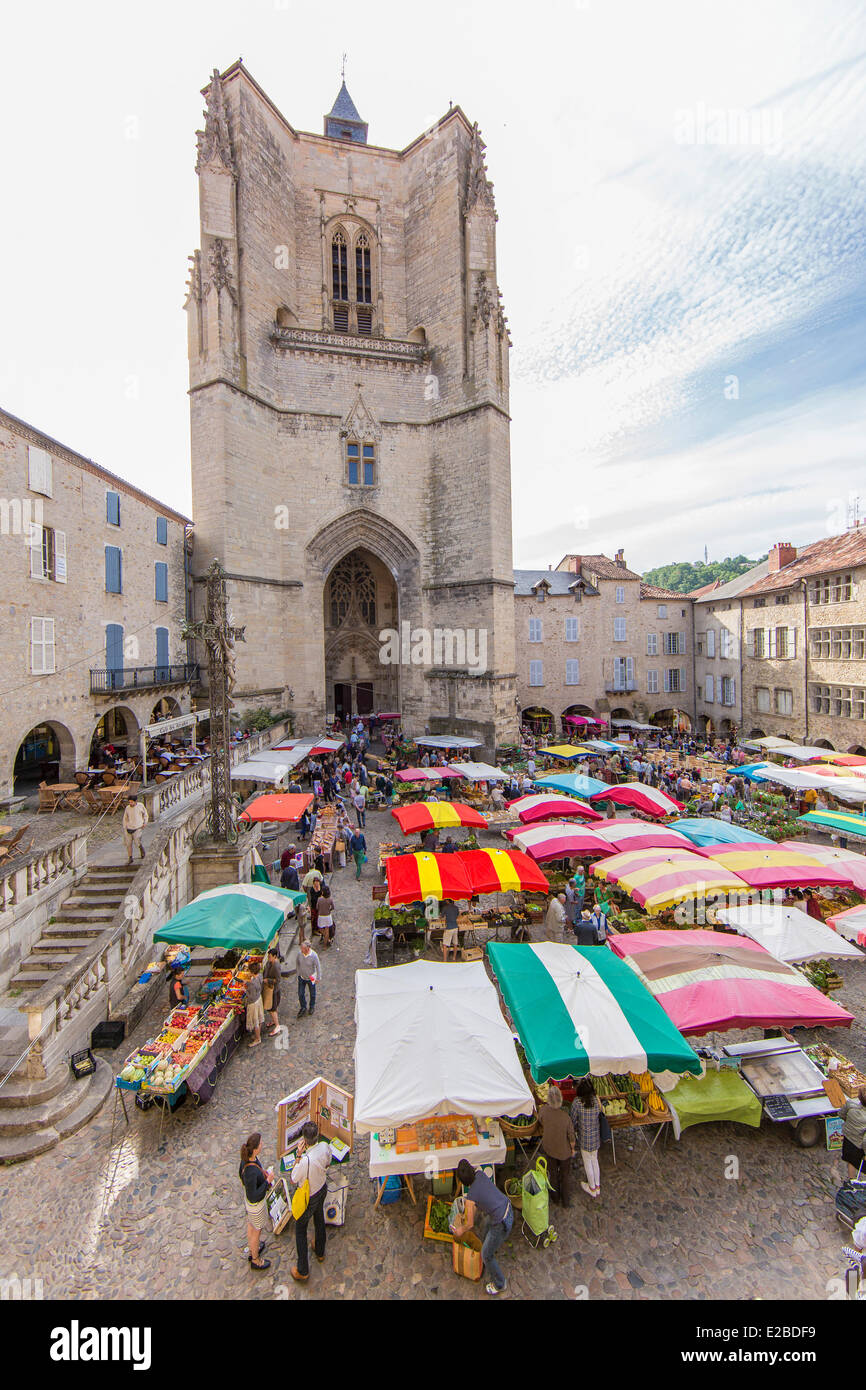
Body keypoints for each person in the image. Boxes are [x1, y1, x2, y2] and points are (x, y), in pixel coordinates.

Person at [453, 1159, 514, 1297]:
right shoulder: (480, 1174)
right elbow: (473, 1207)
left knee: (486, 1254)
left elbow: (470, 1224)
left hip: (501, 1222)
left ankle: (500, 1283)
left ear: (462, 1181)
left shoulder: (470, 1197)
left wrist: (460, 1230)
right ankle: (487, 1250)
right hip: (507, 1207)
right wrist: (468, 1213)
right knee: (485, 1227)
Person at [291, 1120, 331, 1282]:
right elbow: (328, 1162)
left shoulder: (306, 1160)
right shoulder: (324, 1147)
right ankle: (320, 1251)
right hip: (321, 1188)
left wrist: (299, 1155)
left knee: (300, 1230)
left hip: (309, 1196)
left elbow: (294, 1178)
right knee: (319, 1218)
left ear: (304, 1140)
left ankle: (303, 1270)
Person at [538, 1084, 576, 1208]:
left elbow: (540, 1120)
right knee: (565, 1176)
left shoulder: (543, 1111)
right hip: (564, 1152)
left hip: (550, 1148)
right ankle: (566, 1201)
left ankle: (555, 1198)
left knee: (553, 1174)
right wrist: (573, 1149)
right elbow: (571, 1138)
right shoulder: (566, 1117)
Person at [239, 1131, 273, 1270]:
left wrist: (263, 1173)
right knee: (256, 1230)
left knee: (251, 1225)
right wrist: (267, 1182)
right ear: (255, 1149)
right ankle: (255, 1259)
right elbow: (255, 1195)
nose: (262, 1144)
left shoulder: (246, 1161)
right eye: (260, 1144)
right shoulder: (251, 1172)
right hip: (256, 1206)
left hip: (250, 1205)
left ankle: (253, 1247)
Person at [571, 1077, 602, 1198]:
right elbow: (600, 1111)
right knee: (594, 1160)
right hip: (595, 1137)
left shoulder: (577, 1103)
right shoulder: (596, 1101)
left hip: (584, 1138)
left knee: (587, 1162)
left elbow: (572, 1119)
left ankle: (591, 1187)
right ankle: (597, 1185)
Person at [839, 1087, 866, 1179]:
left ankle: (851, 1181)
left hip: (848, 1139)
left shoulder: (850, 1105)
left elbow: (841, 1114)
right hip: (859, 1144)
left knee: (851, 1162)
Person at [297, 939, 321, 1017]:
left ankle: (312, 1006)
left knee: (312, 993)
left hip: (311, 977)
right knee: (300, 994)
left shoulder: (314, 955)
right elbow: (297, 963)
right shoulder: (299, 954)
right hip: (302, 977)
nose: (301, 950)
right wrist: (298, 973)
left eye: (302, 948)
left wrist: (318, 977)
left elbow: (318, 966)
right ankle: (303, 1007)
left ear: (307, 948)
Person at [122, 795, 148, 863]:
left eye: (132, 802)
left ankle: (141, 849)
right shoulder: (127, 808)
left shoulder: (140, 806)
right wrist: (125, 826)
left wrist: (145, 822)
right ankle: (130, 857)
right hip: (129, 827)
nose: (130, 804)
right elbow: (125, 818)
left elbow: (145, 814)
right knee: (128, 844)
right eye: (129, 802)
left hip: (138, 827)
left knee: (137, 842)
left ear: (135, 801)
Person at [263, 947, 282, 1038]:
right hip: (270, 988)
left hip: (273, 990)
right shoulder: (270, 963)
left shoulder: (276, 966)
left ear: (274, 956)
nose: (268, 958)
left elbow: (277, 980)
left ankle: (277, 1025)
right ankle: (274, 1021)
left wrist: (268, 980)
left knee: (272, 1008)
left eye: (270, 956)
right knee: (273, 1008)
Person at [245, 961, 265, 1046]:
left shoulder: (251, 984)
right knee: (259, 1018)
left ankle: (257, 1039)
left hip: (253, 1003)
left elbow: (251, 997)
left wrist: (245, 990)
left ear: (252, 972)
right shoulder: (260, 976)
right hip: (259, 999)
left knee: (255, 1021)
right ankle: (258, 1034)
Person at [440, 898, 460, 962]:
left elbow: (441, 916)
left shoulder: (445, 907)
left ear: (448, 901)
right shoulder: (456, 907)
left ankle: (445, 960)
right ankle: (454, 958)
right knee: (455, 943)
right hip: (455, 927)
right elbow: (457, 915)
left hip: (449, 928)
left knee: (445, 944)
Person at [316, 882, 335, 949]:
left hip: (321, 916)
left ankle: (327, 939)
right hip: (328, 916)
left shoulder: (319, 899)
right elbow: (333, 907)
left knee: (321, 929)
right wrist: (329, 910)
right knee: (327, 930)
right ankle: (325, 944)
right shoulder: (330, 899)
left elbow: (317, 907)